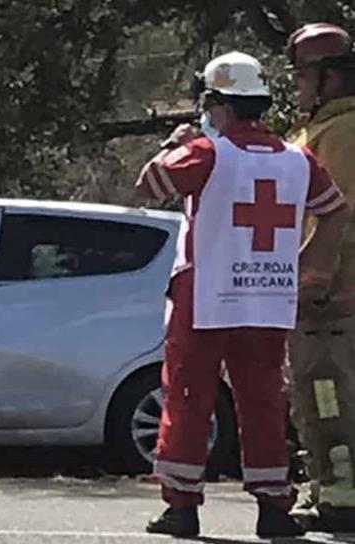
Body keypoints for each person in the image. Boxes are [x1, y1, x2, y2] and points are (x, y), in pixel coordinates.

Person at [133, 51, 351, 538]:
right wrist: (311, 267)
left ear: (218, 105)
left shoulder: (205, 153)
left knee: (189, 399)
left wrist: (176, 142)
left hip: (206, 296)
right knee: (264, 401)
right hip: (269, 298)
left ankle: (182, 507)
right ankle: (274, 509)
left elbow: (149, 186)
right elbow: (334, 209)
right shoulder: (298, 158)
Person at [284, 22, 355, 531]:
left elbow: (337, 217)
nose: (297, 85)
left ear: (330, 76)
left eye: (303, 74)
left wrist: (314, 283)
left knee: (327, 399)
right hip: (327, 298)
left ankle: (339, 498)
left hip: (332, 303)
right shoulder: (320, 129)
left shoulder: (342, 134)